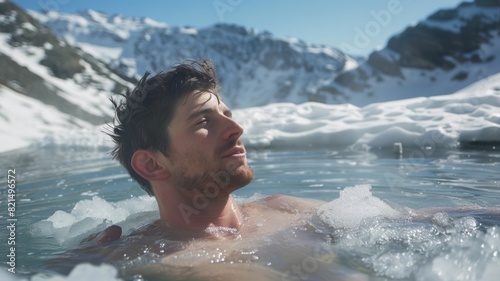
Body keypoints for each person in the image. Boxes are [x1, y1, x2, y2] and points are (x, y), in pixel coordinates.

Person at [106, 59, 320, 239]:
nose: (236, 129)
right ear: (152, 164)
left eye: (227, 115)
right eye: (202, 121)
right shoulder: (146, 260)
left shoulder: (290, 210)